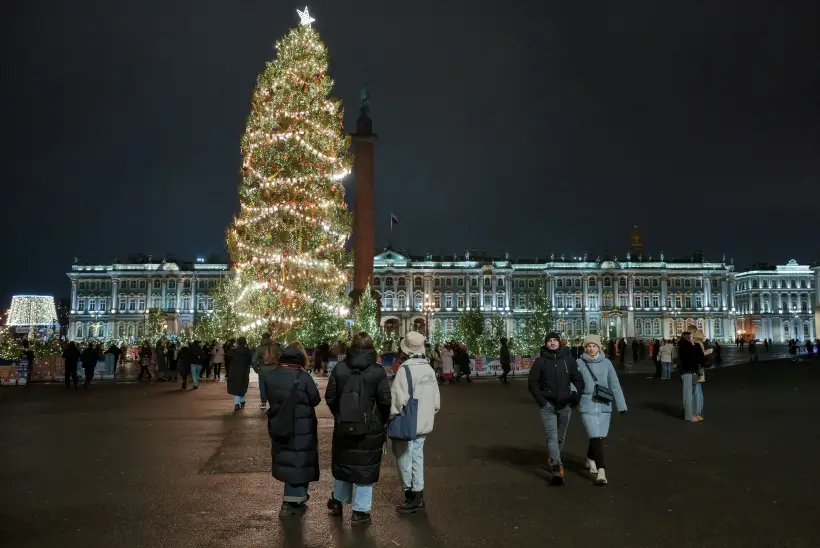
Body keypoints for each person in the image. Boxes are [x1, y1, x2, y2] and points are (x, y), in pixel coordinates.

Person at [325, 332, 391, 525]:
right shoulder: (377, 371)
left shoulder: (340, 368)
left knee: (343, 464)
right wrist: (379, 420)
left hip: (344, 425)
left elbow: (330, 397)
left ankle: (337, 502)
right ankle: (360, 512)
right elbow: (385, 400)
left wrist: (340, 415)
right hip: (370, 427)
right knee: (365, 468)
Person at [263, 344, 321, 518]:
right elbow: (315, 399)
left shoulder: (271, 376)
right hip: (302, 427)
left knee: (288, 458)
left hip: (280, 424)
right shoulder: (303, 377)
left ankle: (296, 497)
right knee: (299, 459)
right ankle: (292, 501)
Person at [390, 331, 440, 513]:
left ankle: (409, 493)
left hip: (407, 423)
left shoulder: (406, 369)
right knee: (418, 456)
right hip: (424, 422)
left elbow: (396, 400)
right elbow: (436, 401)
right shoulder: (428, 369)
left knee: (404, 457)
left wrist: (389, 416)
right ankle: (418, 494)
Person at [527, 332, 584, 485]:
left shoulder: (569, 360)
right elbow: (532, 383)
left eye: (554, 340)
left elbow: (579, 381)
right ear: (546, 344)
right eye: (549, 341)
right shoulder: (540, 361)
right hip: (548, 406)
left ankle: (554, 458)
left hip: (565, 405)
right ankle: (556, 468)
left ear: (560, 342)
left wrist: (574, 398)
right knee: (552, 437)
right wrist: (542, 401)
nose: (552, 343)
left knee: (560, 437)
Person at [576, 335, 627, 485]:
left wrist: (622, 405)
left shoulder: (607, 363)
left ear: (599, 347)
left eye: (594, 346)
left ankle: (590, 458)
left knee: (599, 436)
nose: (591, 349)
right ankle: (602, 471)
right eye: (588, 346)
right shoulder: (579, 363)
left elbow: (615, 384)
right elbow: (574, 383)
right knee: (595, 435)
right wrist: (571, 399)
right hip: (587, 404)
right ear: (585, 348)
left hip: (604, 404)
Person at [678, 332, 702, 422]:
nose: (693, 338)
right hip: (687, 372)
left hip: (692, 371)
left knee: (693, 393)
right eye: (691, 337)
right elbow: (689, 360)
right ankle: (689, 416)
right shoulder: (684, 347)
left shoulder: (690, 346)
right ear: (687, 338)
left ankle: (695, 413)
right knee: (688, 395)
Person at [253, 333, 281, 409]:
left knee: (262, 386)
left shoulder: (259, 348)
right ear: (269, 337)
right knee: (274, 386)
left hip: (262, 369)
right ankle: (274, 402)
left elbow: (253, 360)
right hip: (274, 369)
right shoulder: (275, 347)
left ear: (262, 338)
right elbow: (281, 357)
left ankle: (263, 402)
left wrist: (257, 369)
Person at [227, 337, 253, 410]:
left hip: (234, 372)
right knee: (243, 386)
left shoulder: (233, 351)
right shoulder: (248, 351)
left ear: (237, 343)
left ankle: (236, 404)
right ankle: (242, 401)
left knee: (235, 388)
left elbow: (227, 356)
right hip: (244, 372)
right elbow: (251, 360)